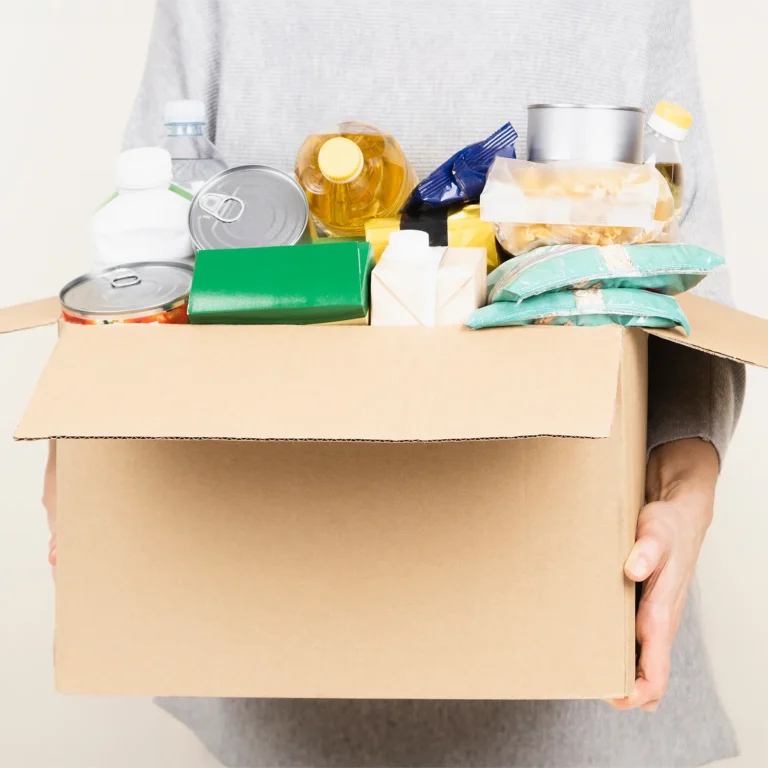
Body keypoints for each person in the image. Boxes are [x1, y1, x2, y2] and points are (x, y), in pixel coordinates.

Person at [44, 0, 745, 765]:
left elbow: (686, 278)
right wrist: (91, 440)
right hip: (275, 627)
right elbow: (148, 253)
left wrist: (687, 482)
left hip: (576, 630)